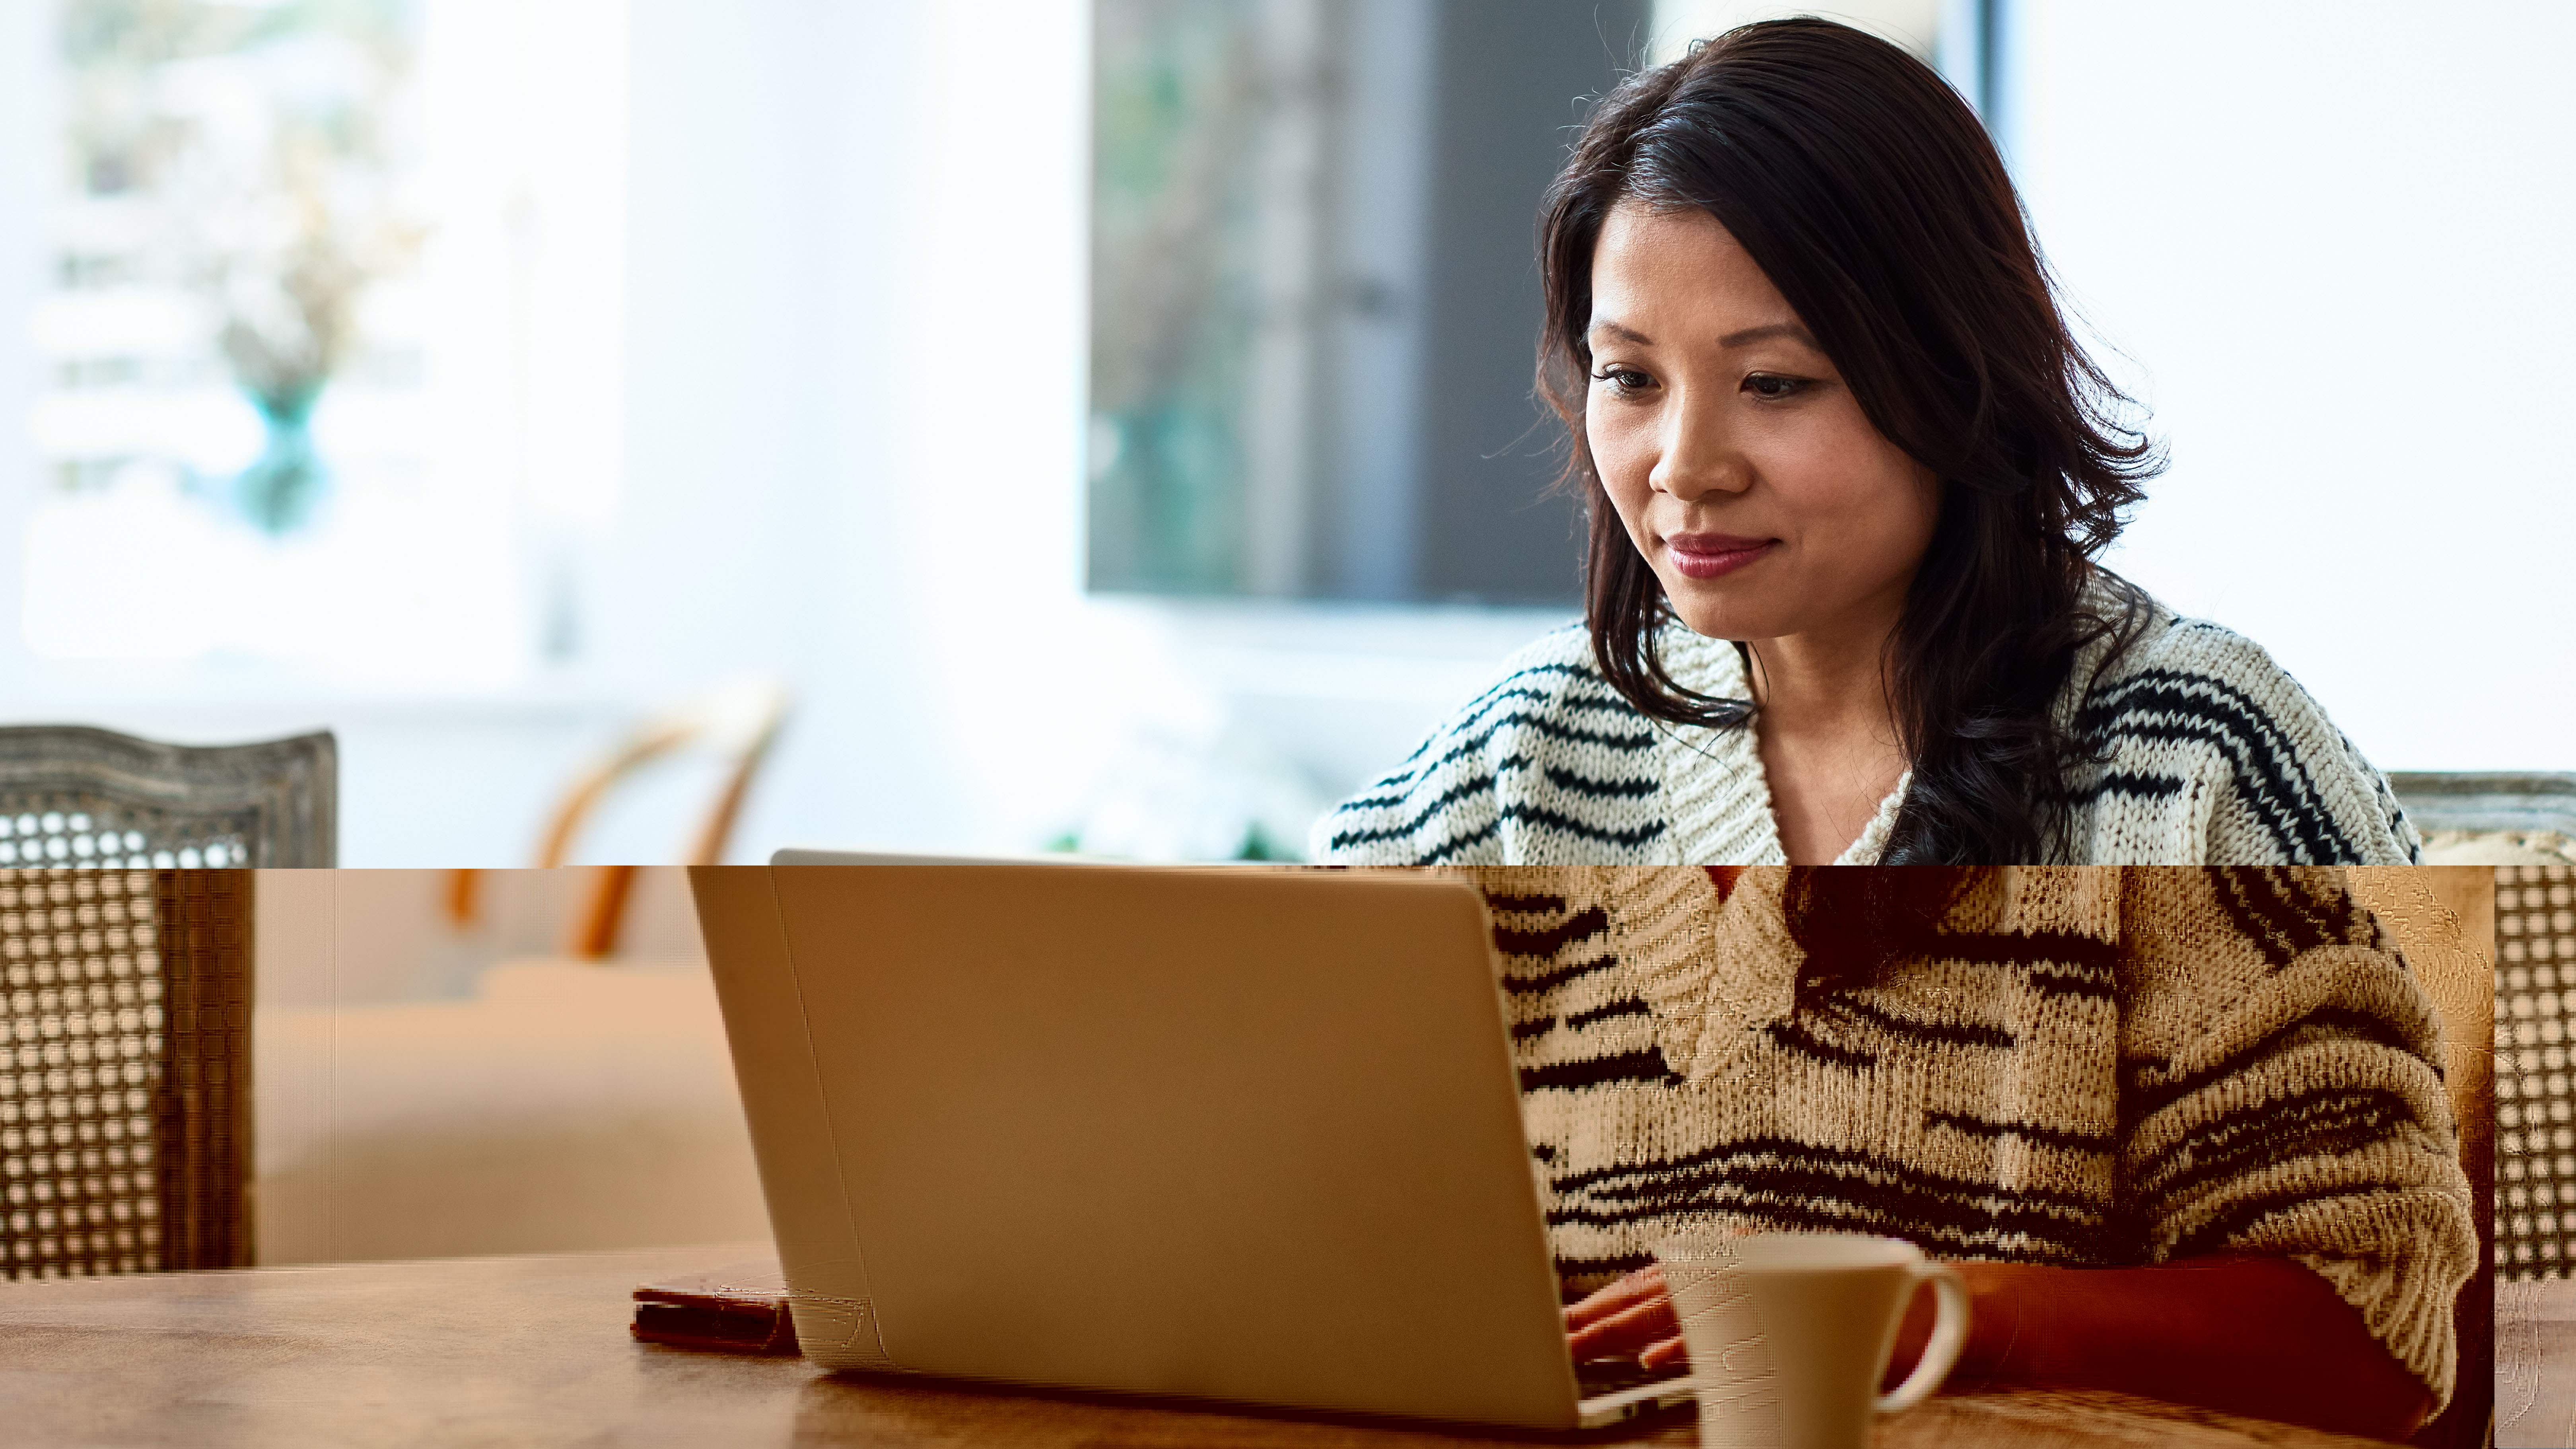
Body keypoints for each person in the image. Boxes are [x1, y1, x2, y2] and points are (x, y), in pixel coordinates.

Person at [1308, 20, 2416, 867]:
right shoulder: (1529, 757)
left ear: (1952, 371)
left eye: (1775, 382)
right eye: (1629, 377)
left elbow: (2393, 1170)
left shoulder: (2199, 765)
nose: (1686, 466)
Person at [1500, 865, 2473, 1440]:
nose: (1686, 499)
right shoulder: (1502, 772)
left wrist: (1942, 1311)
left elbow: (2370, 1331)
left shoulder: (2173, 798)